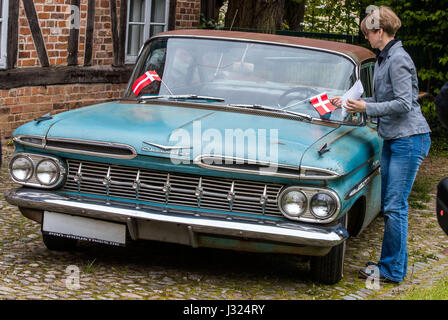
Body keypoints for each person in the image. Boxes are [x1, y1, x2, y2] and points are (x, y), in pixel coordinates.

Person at [332, 6, 431, 283]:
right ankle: (393, 265)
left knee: (394, 206)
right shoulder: (384, 58)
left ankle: (391, 270)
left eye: (368, 33)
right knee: (392, 205)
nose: (367, 38)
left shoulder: (398, 59)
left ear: (379, 31)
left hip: (409, 140)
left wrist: (366, 105)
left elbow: (403, 104)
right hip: (394, 138)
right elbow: (382, 100)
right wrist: (351, 103)